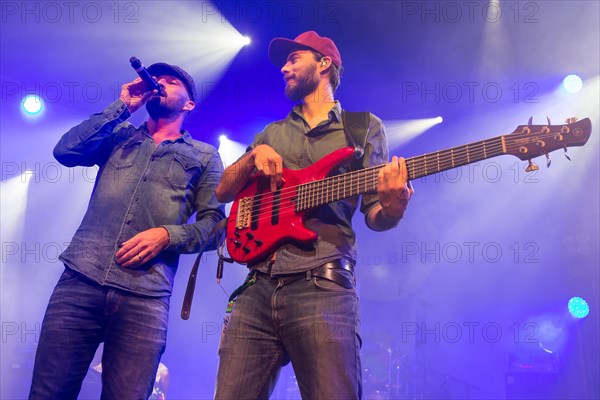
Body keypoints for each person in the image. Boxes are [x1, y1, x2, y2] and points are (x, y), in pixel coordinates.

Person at [214, 31, 413, 399]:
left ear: (324, 64)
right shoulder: (271, 133)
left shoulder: (363, 127)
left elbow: (374, 213)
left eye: (293, 59)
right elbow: (223, 191)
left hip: (323, 286)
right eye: (283, 63)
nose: (284, 68)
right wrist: (252, 157)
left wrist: (394, 208)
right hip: (258, 285)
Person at [29, 62, 225, 399]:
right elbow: (65, 151)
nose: (160, 83)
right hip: (81, 279)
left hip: (145, 296)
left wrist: (168, 235)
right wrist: (122, 107)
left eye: (171, 81)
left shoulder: (205, 156)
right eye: (157, 78)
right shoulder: (120, 134)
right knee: (48, 393)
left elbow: (215, 227)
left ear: (189, 103)